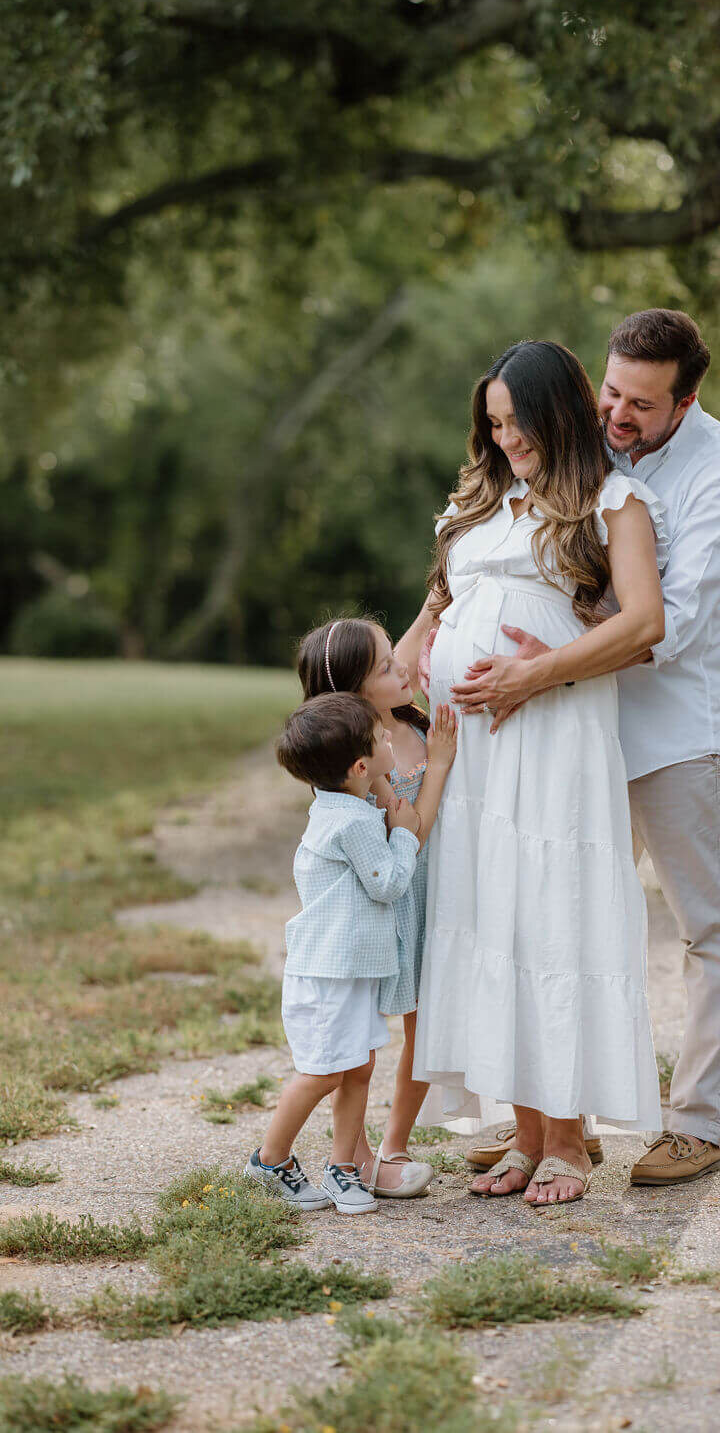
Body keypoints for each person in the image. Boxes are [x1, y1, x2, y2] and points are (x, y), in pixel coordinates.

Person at [444, 310, 720, 1186]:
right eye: (610, 392)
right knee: (552, 913)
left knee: (706, 927)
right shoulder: (585, 439)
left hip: (670, 725)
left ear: (685, 400)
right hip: (568, 731)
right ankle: (554, 1122)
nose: (618, 416)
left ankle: (695, 1121)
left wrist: (545, 651)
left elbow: (669, 619)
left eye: (641, 405)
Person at [399, 339, 668, 1206]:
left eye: (516, 421)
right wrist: (410, 652)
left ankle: (568, 1143)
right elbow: (442, 597)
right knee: (490, 914)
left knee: (553, 913)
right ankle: (519, 1133)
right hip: (472, 751)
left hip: (553, 731)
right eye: (493, 424)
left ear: (557, 410)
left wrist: (533, 674)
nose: (505, 438)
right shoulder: (481, 500)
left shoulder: (612, 500)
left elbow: (643, 624)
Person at [243, 690, 456, 1213]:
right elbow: (387, 884)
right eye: (381, 738)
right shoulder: (357, 821)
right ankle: (269, 1161)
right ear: (362, 766)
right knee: (322, 1073)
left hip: (352, 970)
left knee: (359, 1067)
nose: (390, 737)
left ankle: (343, 1168)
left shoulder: (338, 804)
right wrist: (404, 834)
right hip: (329, 976)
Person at [296, 616, 448, 1198]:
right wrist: (438, 765)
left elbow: (398, 656)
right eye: (385, 667)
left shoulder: (406, 717)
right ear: (358, 696)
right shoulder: (361, 765)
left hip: (433, 894)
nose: (403, 667)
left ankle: (392, 1145)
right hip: (390, 903)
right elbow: (412, 832)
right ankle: (355, 1157)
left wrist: (432, 606)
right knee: (358, 1038)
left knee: (423, 1026)